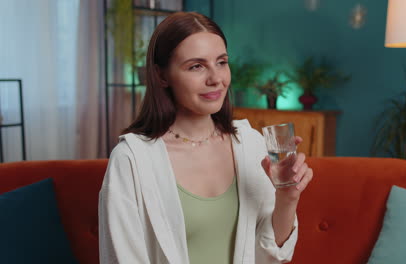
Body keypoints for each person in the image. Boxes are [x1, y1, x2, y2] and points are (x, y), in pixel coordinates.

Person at [98, 11, 313, 264]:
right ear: (161, 75)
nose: (216, 79)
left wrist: (287, 197)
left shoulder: (250, 143)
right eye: (196, 66)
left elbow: (270, 257)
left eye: (221, 62)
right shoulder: (132, 159)